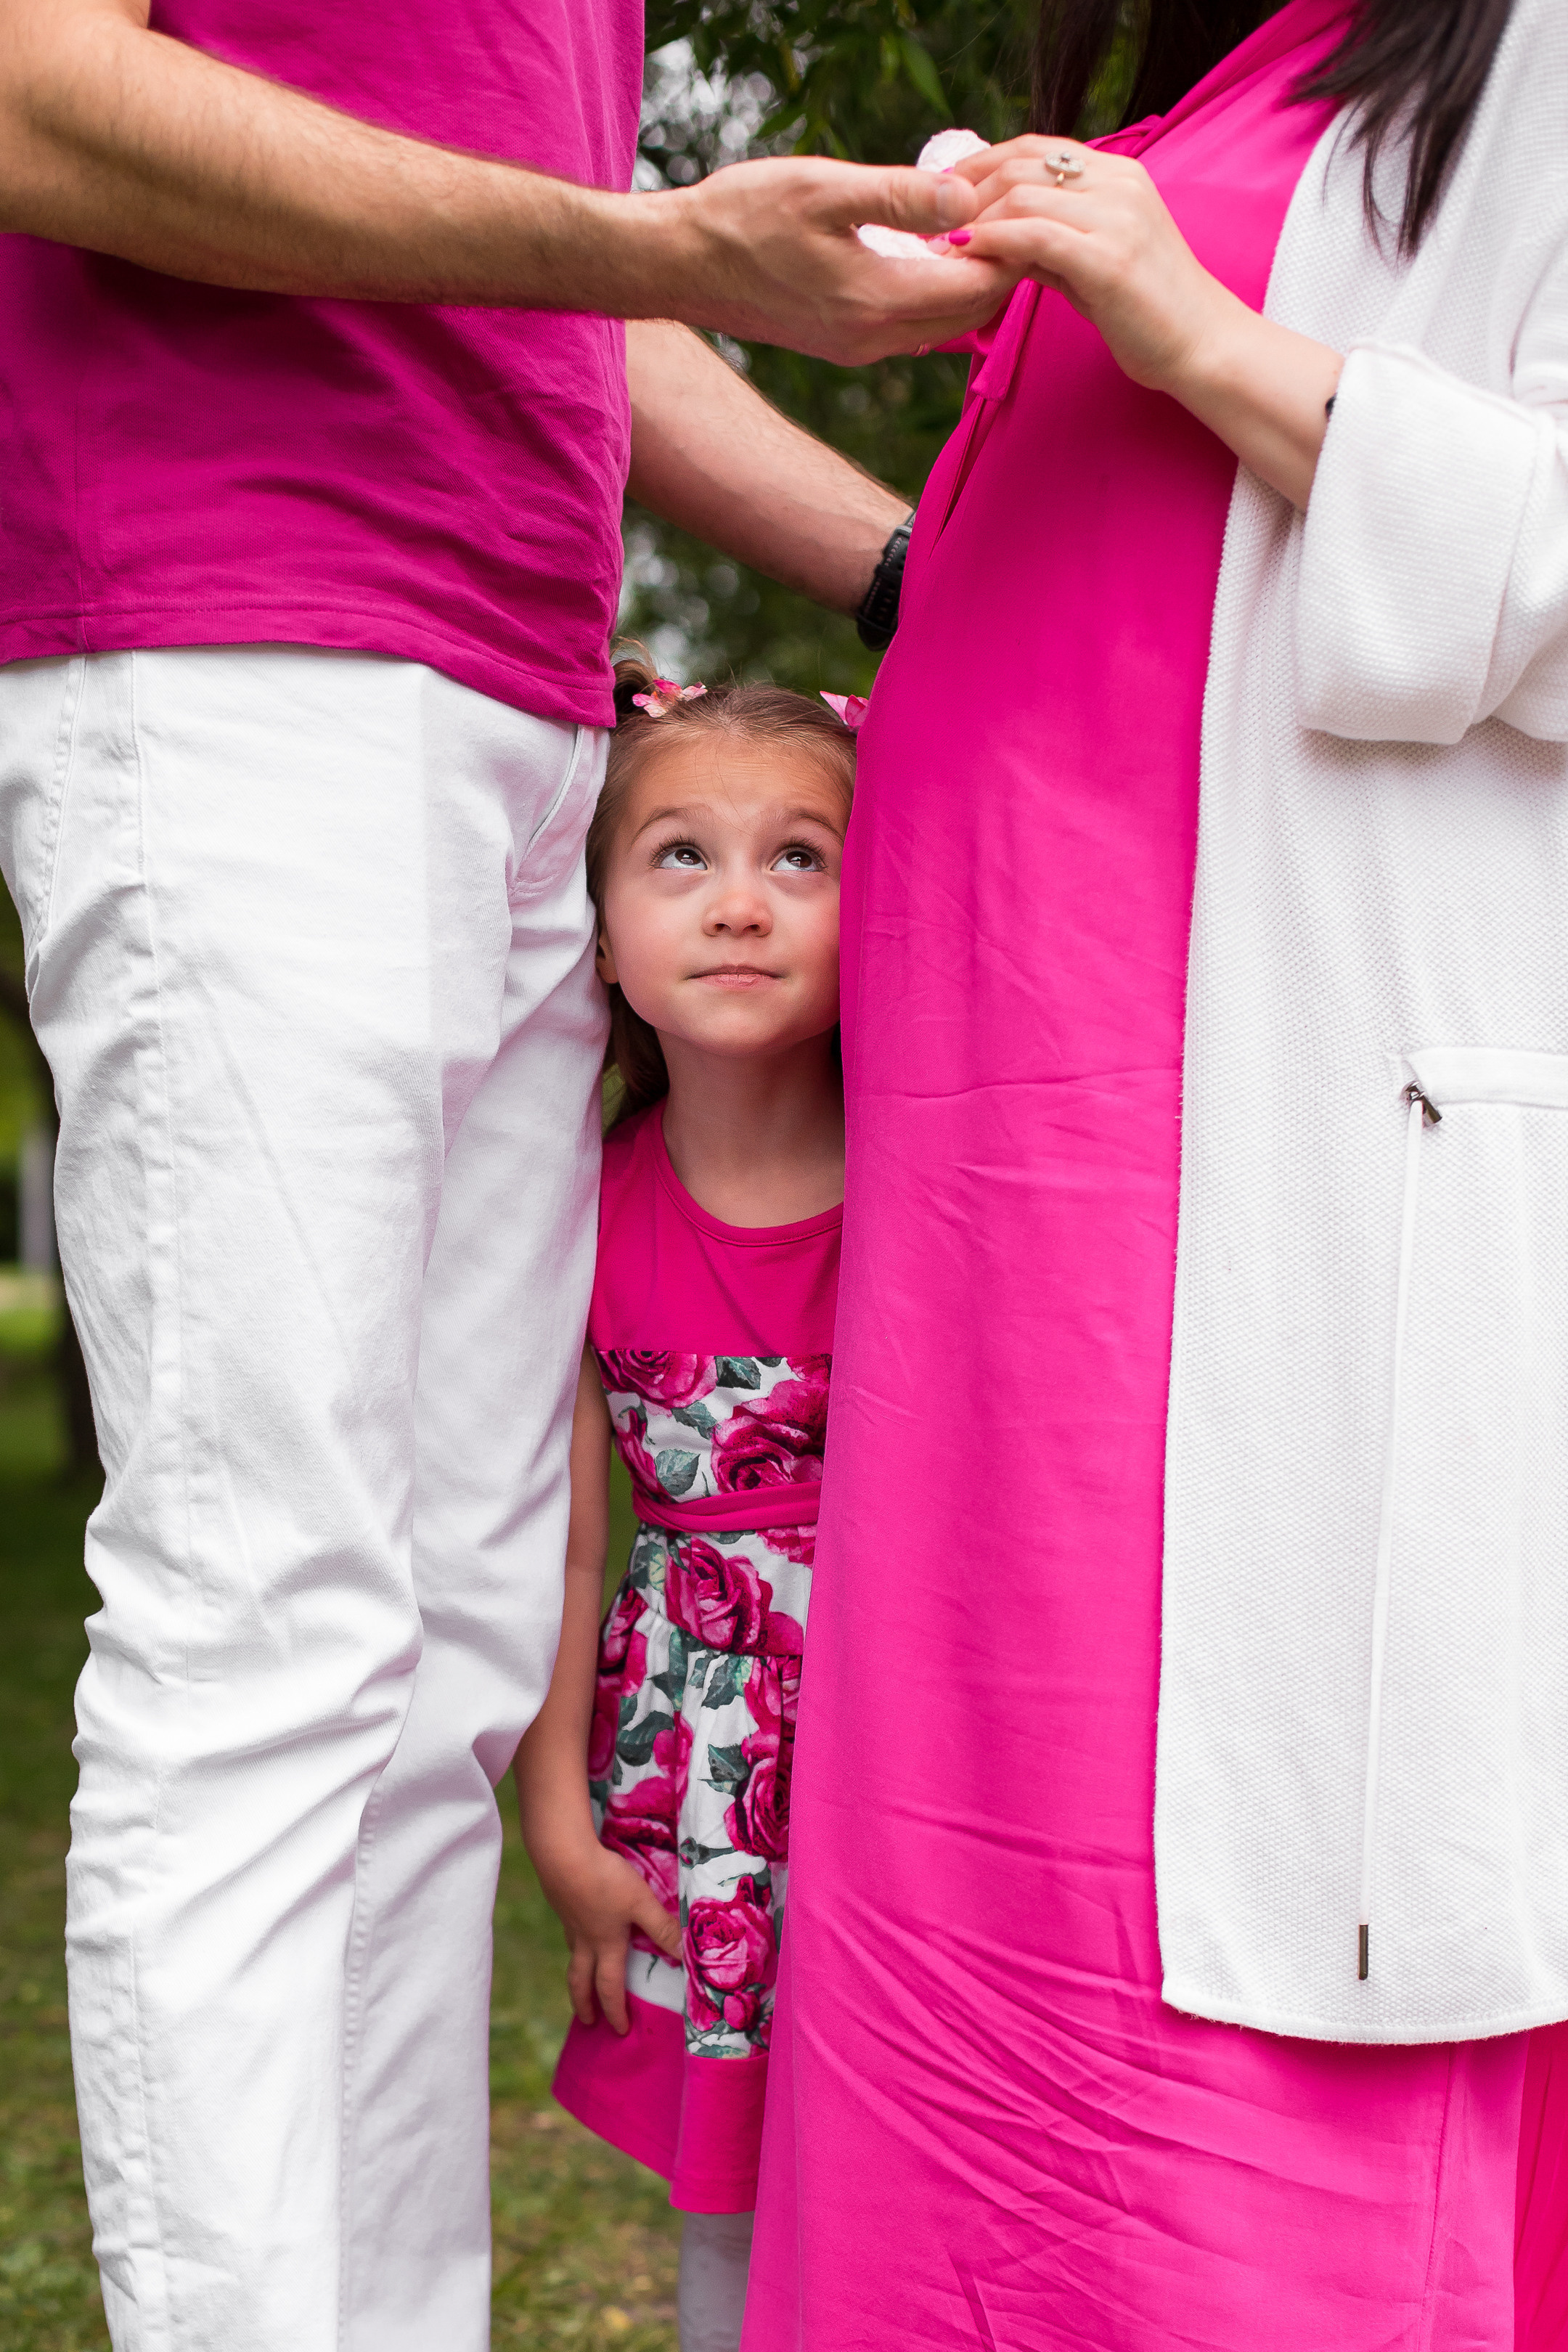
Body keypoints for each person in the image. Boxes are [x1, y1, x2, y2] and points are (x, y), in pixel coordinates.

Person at [0, 7, 1014, 2348]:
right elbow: (41, 99)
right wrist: (659, 236)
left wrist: (919, 575)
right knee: (273, 1630)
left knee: (447, 1650)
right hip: (237, 640)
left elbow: (552, 300)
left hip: (528, 702)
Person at [746, 0, 1568, 2346]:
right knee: (979, 1900)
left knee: (1242, 1949)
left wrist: (1195, 329)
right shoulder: (1244, 67)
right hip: (1022, 1191)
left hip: (1267, 1165)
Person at [515, 663, 854, 2352]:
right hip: (699, 1777)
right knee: (731, 2189)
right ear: (598, 934)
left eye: (801, 856)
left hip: (905, 1759)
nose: (739, 905)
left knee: (909, 2141)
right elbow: (571, 1544)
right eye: (680, 858)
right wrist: (561, 1825)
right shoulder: (574, 1210)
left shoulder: (928, 1177)